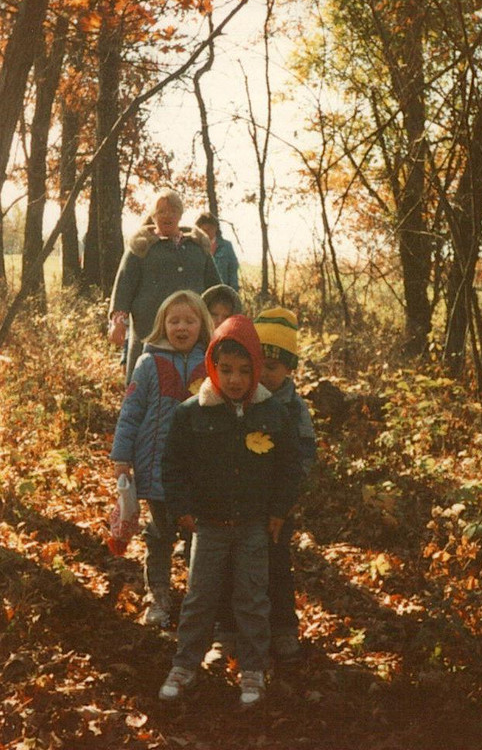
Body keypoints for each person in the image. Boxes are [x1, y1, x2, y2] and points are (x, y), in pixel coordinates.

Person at [158, 315, 301, 709]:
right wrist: (182, 508)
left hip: (254, 526)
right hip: (209, 526)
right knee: (199, 597)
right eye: (225, 370)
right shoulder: (192, 413)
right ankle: (184, 664)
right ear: (212, 368)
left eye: (244, 370)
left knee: (252, 598)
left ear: (255, 368)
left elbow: (290, 468)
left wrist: (277, 511)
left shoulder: (272, 413)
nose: (235, 380)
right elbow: (172, 465)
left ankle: (253, 669)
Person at [212, 307, 316, 663]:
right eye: (262, 365)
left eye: (274, 368)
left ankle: (283, 628)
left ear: (288, 369)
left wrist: (286, 499)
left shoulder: (292, 407)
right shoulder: (246, 397)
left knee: (275, 564)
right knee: (230, 565)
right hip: (241, 501)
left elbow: (304, 454)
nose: (266, 375)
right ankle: (226, 629)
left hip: (277, 505)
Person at [110, 291, 214, 629]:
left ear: (202, 325)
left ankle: (199, 600)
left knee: (196, 534)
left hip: (198, 472)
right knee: (160, 533)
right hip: (155, 467)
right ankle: (158, 595)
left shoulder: (211, 363)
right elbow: (131, 412)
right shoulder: (149, 362)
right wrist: (122, 456)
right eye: (174, 321)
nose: (181, 327)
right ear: (162, 325)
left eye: (189, 320)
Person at [109, 190, 221, 383]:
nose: (167, 215)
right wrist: (118, 322)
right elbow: (123, 288)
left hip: (191, 335)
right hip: (149, 333)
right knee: (144, 385)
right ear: (153, 215)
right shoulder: (141, 247)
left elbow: (216, 290)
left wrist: (221, 320)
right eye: (161, 211)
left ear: (180, 215)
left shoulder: (197, 248)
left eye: (173, 211)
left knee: (189, 385)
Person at [195, 213, 240, 292]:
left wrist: (233, 294)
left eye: (210, 229)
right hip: (200, 294)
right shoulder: (195, 247)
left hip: (221, 293)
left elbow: (232, 273)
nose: (207, 232)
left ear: (215, 228)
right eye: (204, 230)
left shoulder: (226, 246)